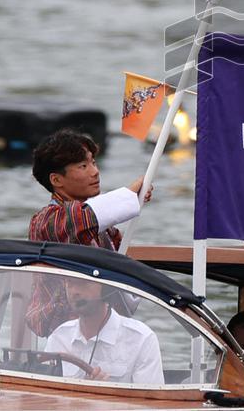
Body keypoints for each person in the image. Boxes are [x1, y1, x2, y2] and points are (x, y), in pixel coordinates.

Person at [26, 128, 152, 336]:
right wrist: (129, 195)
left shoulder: (103, 229)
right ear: (57, 180)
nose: (95, 171)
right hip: (59, 332)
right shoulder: (45, 221)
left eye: (93, 162)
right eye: (83, 166)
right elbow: (77, 220)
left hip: (102, 329)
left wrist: (129, 199)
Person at [45, 277, 163, 385]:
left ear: (106, 289)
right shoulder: (58, 338)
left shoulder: (142, 339)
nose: (75, 291)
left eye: (84, 283)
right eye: (70, 282)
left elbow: (151, 403)